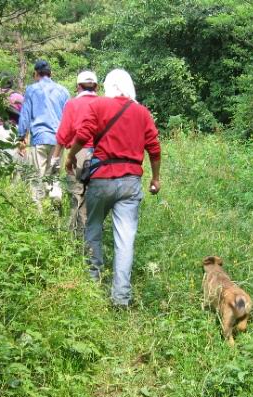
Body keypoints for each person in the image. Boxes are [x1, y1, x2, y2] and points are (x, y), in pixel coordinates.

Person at [66, 69, 161, 307]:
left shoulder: (98, 106)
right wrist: (155, 178)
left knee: (93, 228)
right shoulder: (142, 112)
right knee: (125, 240)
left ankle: (92, 283)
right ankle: (121, 297)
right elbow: (154, 148)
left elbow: (83, 135)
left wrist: (71, 156)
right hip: (130, 182)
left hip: (101, 180)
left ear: (108, 86)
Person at [52, 70, 99, 238]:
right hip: (100, 157)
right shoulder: (104, 104)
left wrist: (55, 158)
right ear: (96, 87)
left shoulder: (72, 104)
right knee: (92, 200)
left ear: (78, 86)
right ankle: (90, 239)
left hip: (78, 155)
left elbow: (63, 133)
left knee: (76, 197)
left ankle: (74, 240)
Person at [17, 60, 70, 208]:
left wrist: (21, 137)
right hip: (58, 141)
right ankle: (55, 197)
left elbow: (25, 115)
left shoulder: (31, 90)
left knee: (37, 177)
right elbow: (68, 117)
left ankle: (38, 210)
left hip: (39, 138)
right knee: (54, 174)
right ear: (50, 73)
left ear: (35, 74)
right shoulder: (63, 91)